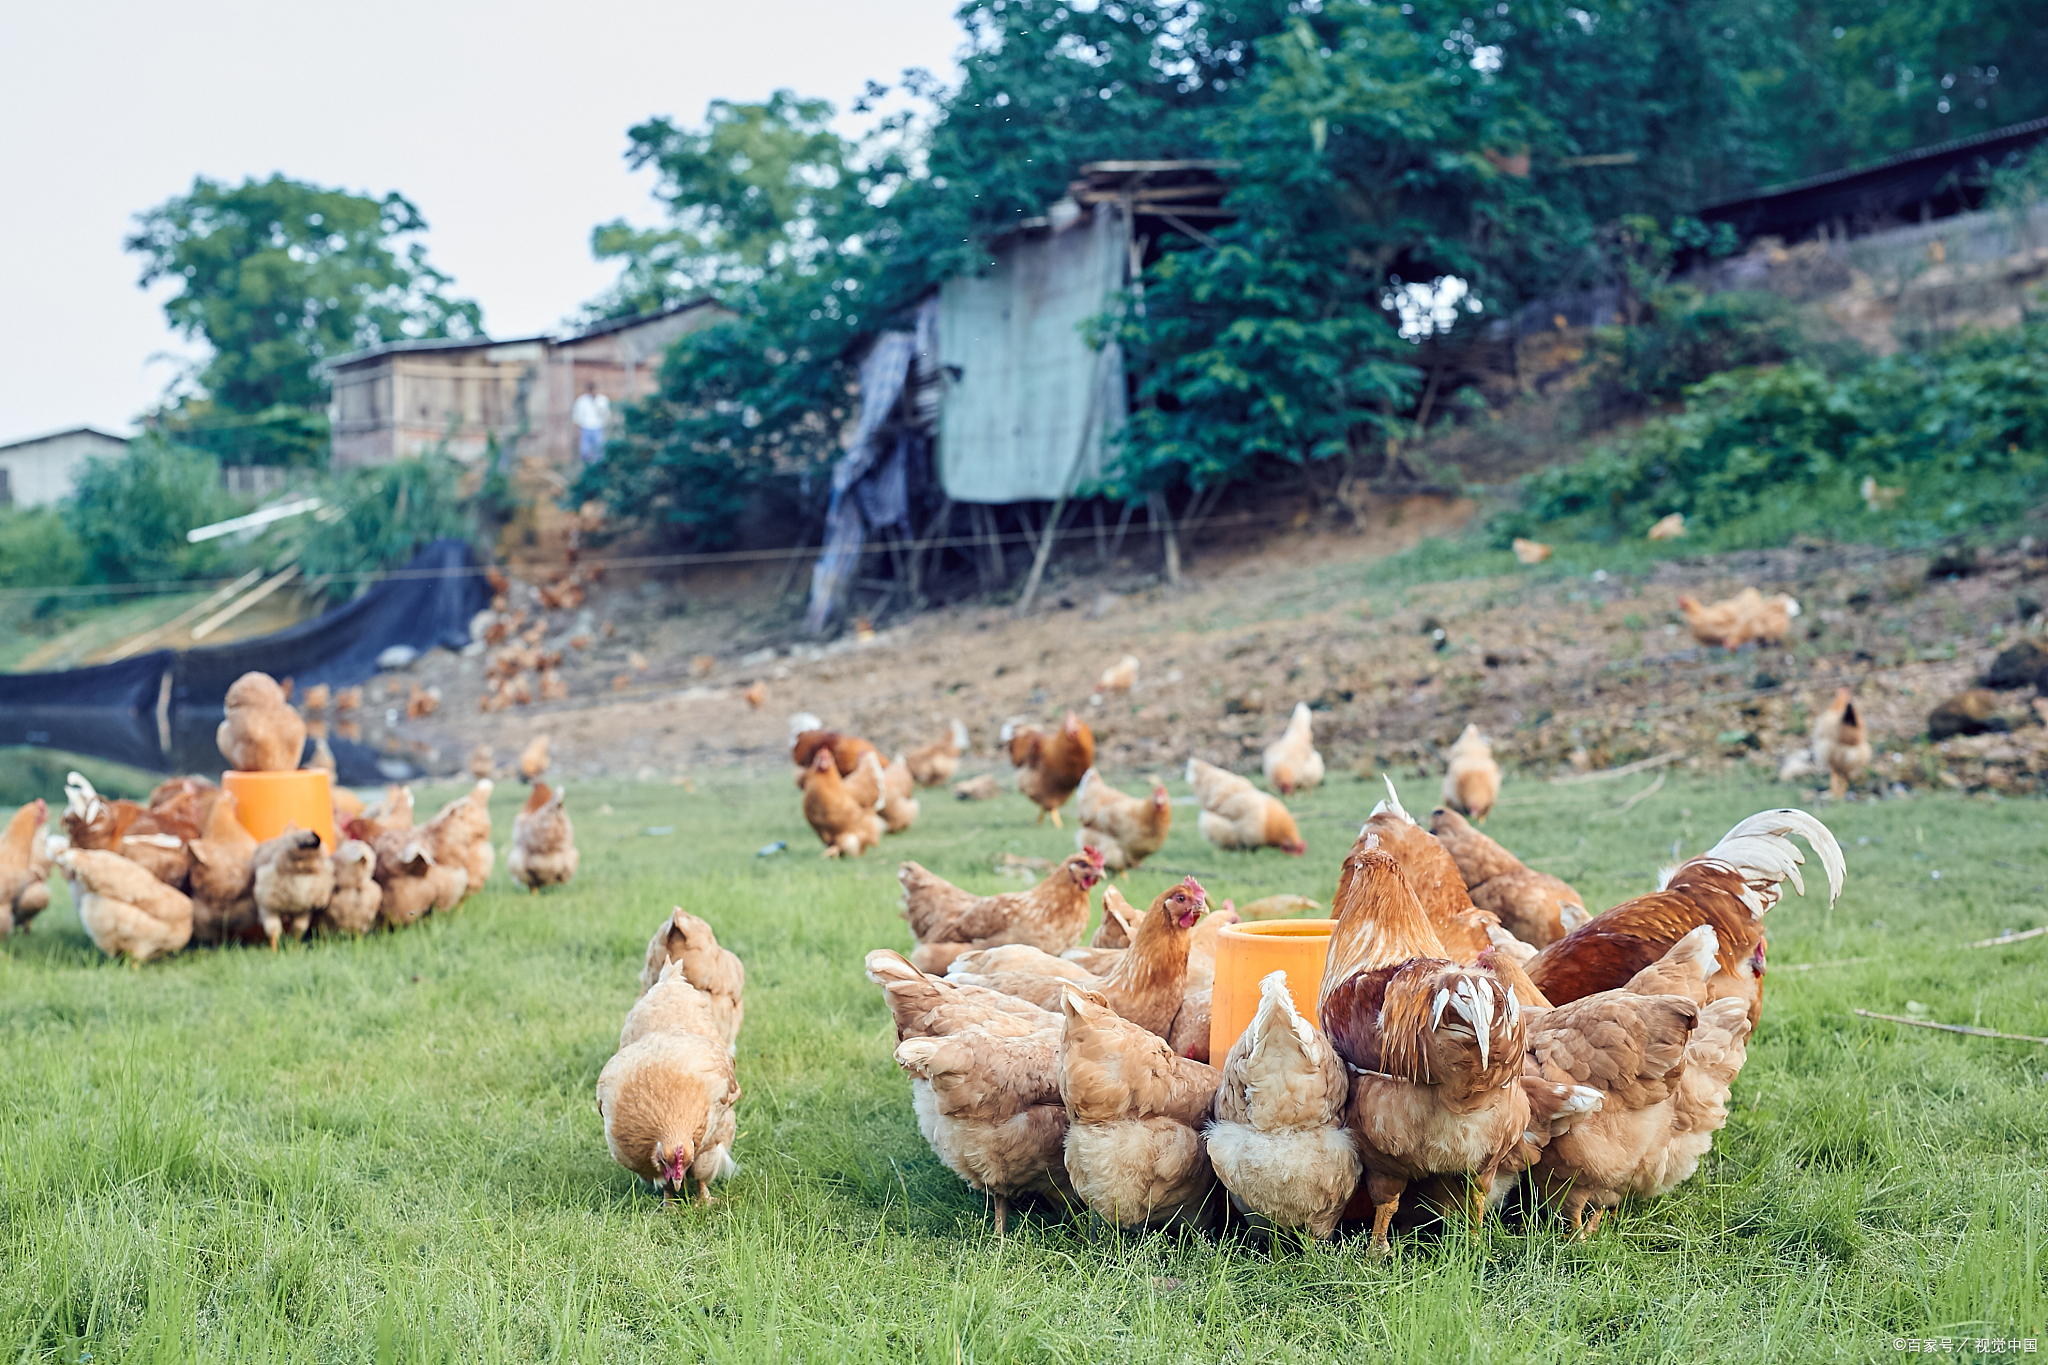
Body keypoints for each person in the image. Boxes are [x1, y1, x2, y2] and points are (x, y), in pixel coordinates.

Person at [571, 383, 611, 463]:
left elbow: (607, 415)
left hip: (598, 427)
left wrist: (600, 409)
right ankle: (587, 467)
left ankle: (598, 468)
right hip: (585, 428)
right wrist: (577, 430)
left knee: (599, 450)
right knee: (585, 451)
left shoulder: (602, 399)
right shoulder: (581, 400)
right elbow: (576, 416)